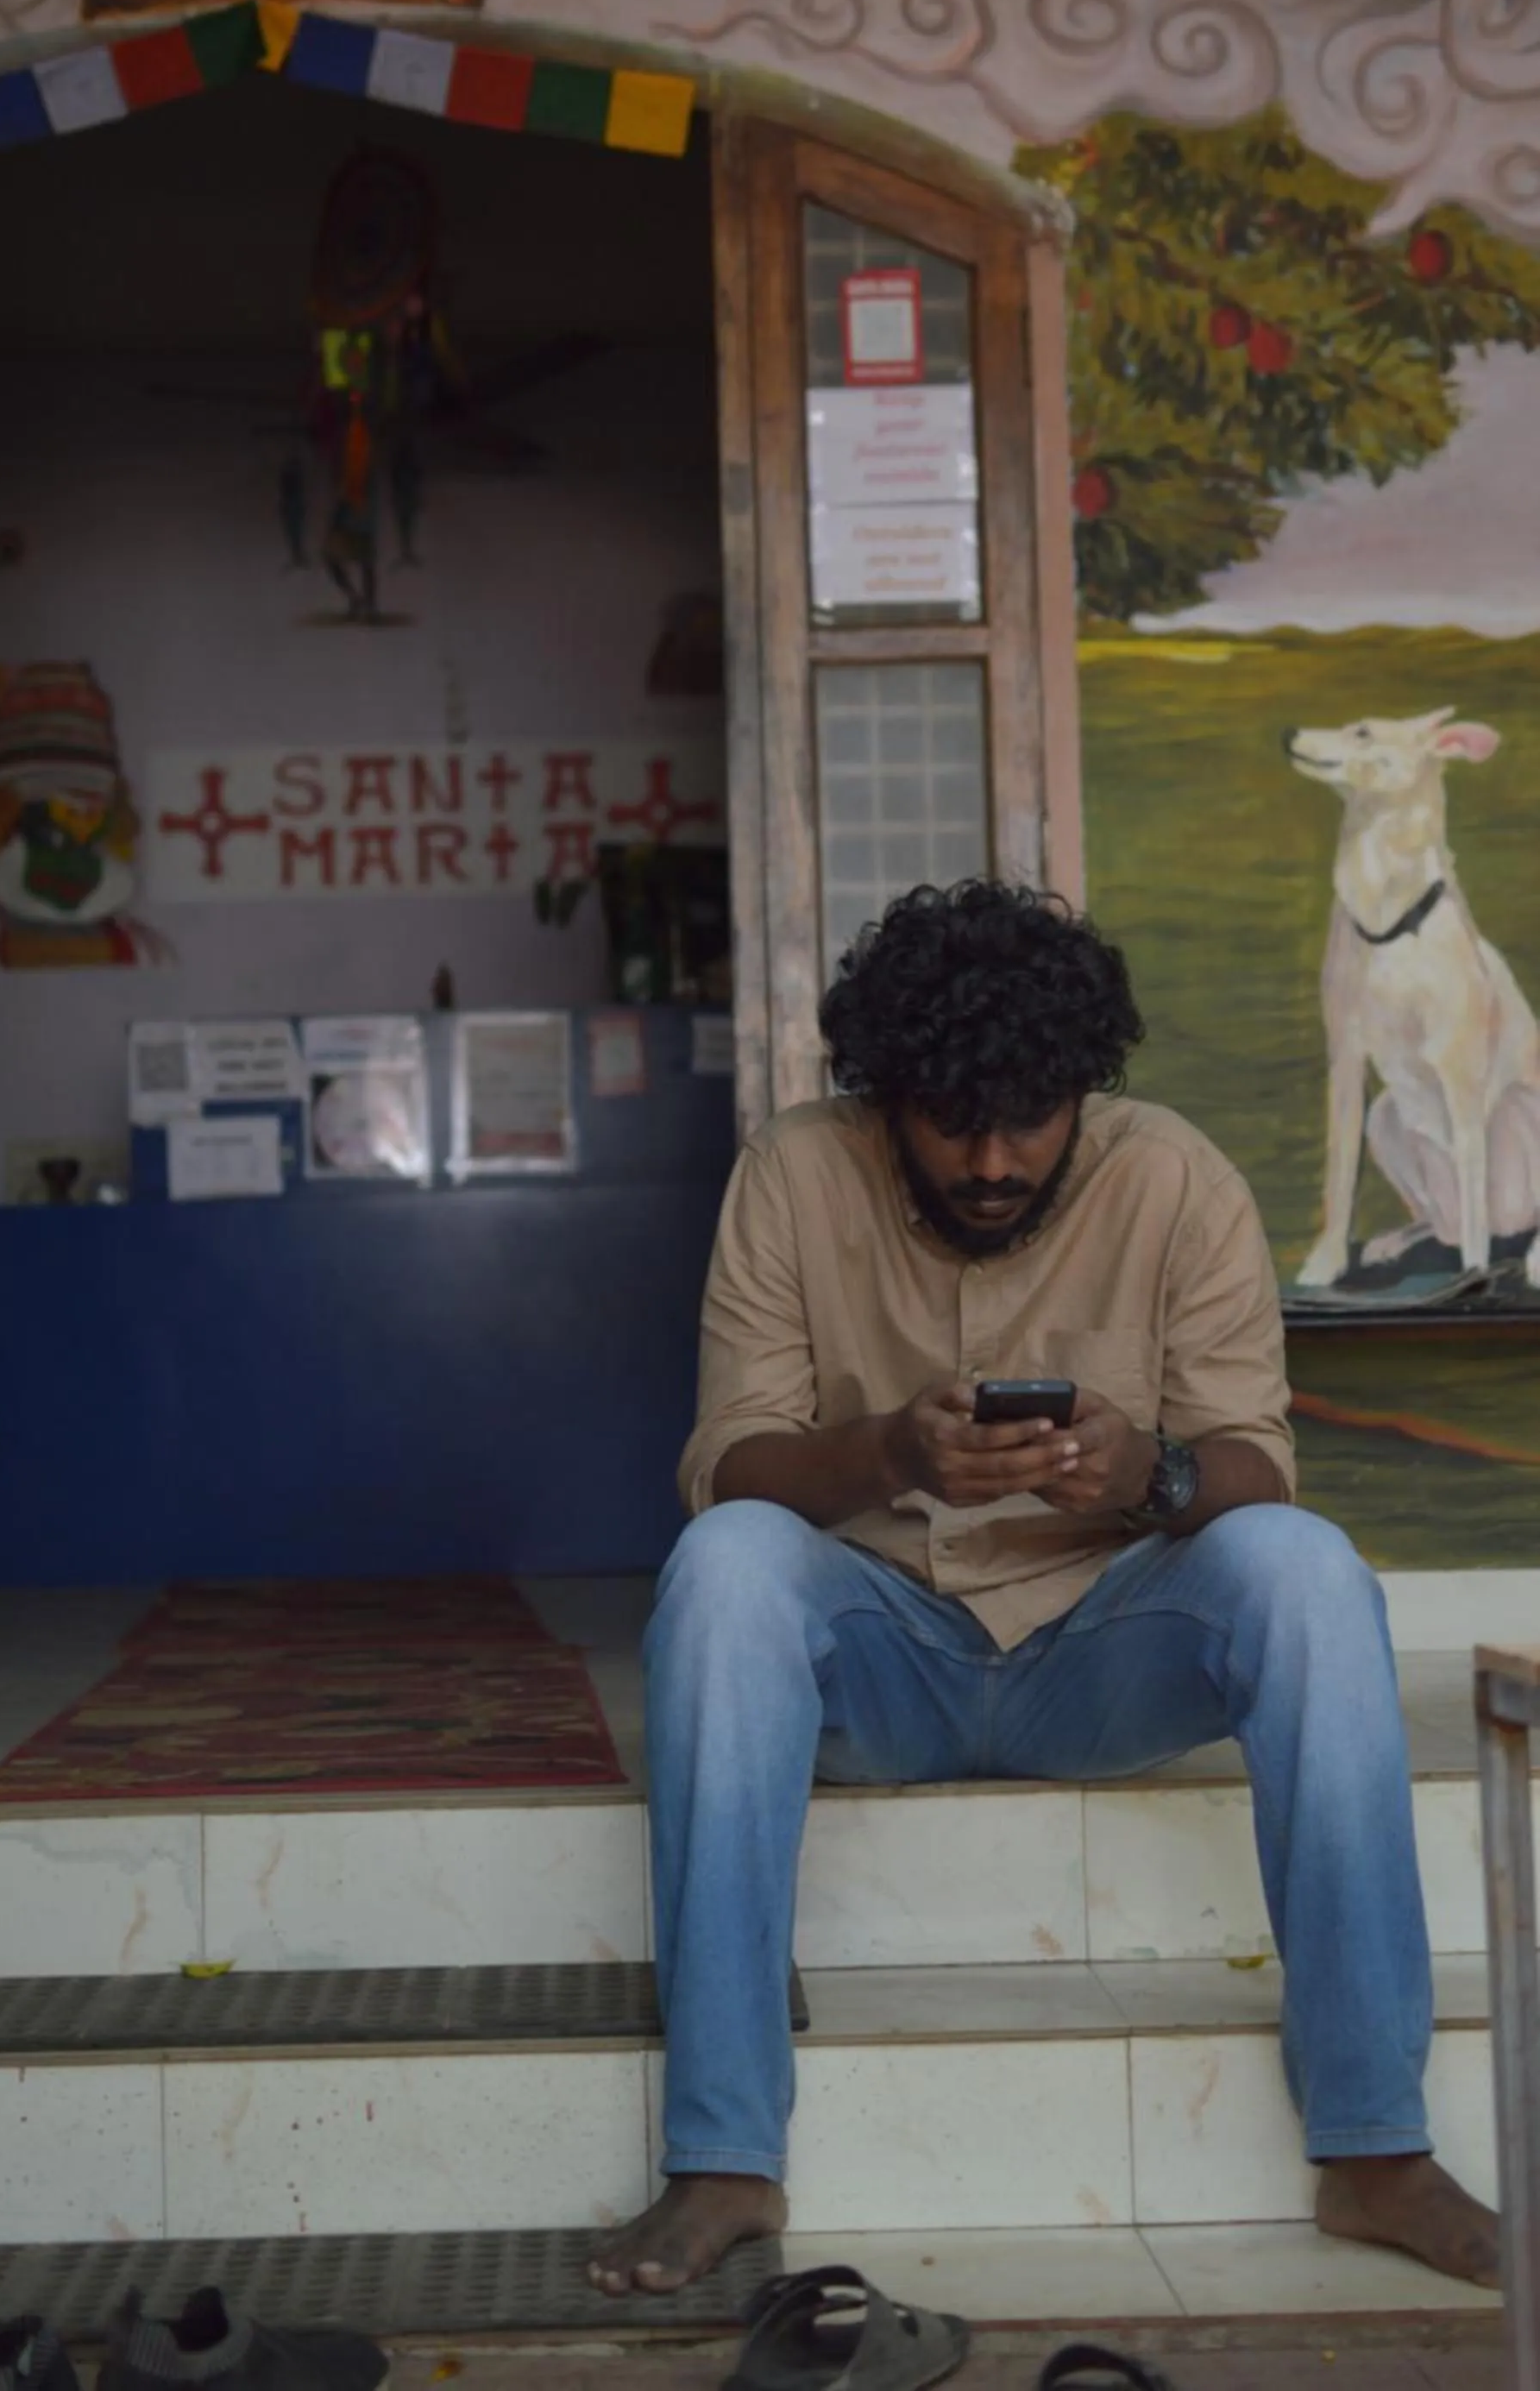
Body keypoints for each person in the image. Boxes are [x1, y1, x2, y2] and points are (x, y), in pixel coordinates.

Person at [588, 879, 1499, 2297]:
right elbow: (729, 1467)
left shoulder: (1174, 1177)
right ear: (888, 1095)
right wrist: (894, 1450)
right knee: (720, 1568)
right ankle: (722, 2162)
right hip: (879, 1653)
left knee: (1307, 1574)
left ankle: (1376, 2153)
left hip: (1102, 1654)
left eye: (1032, 1116)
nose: (995, 1158)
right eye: (953, 1121)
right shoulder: (792, 1170)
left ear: (1084, 1088)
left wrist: (1150, 1479)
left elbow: (1255, 1464)